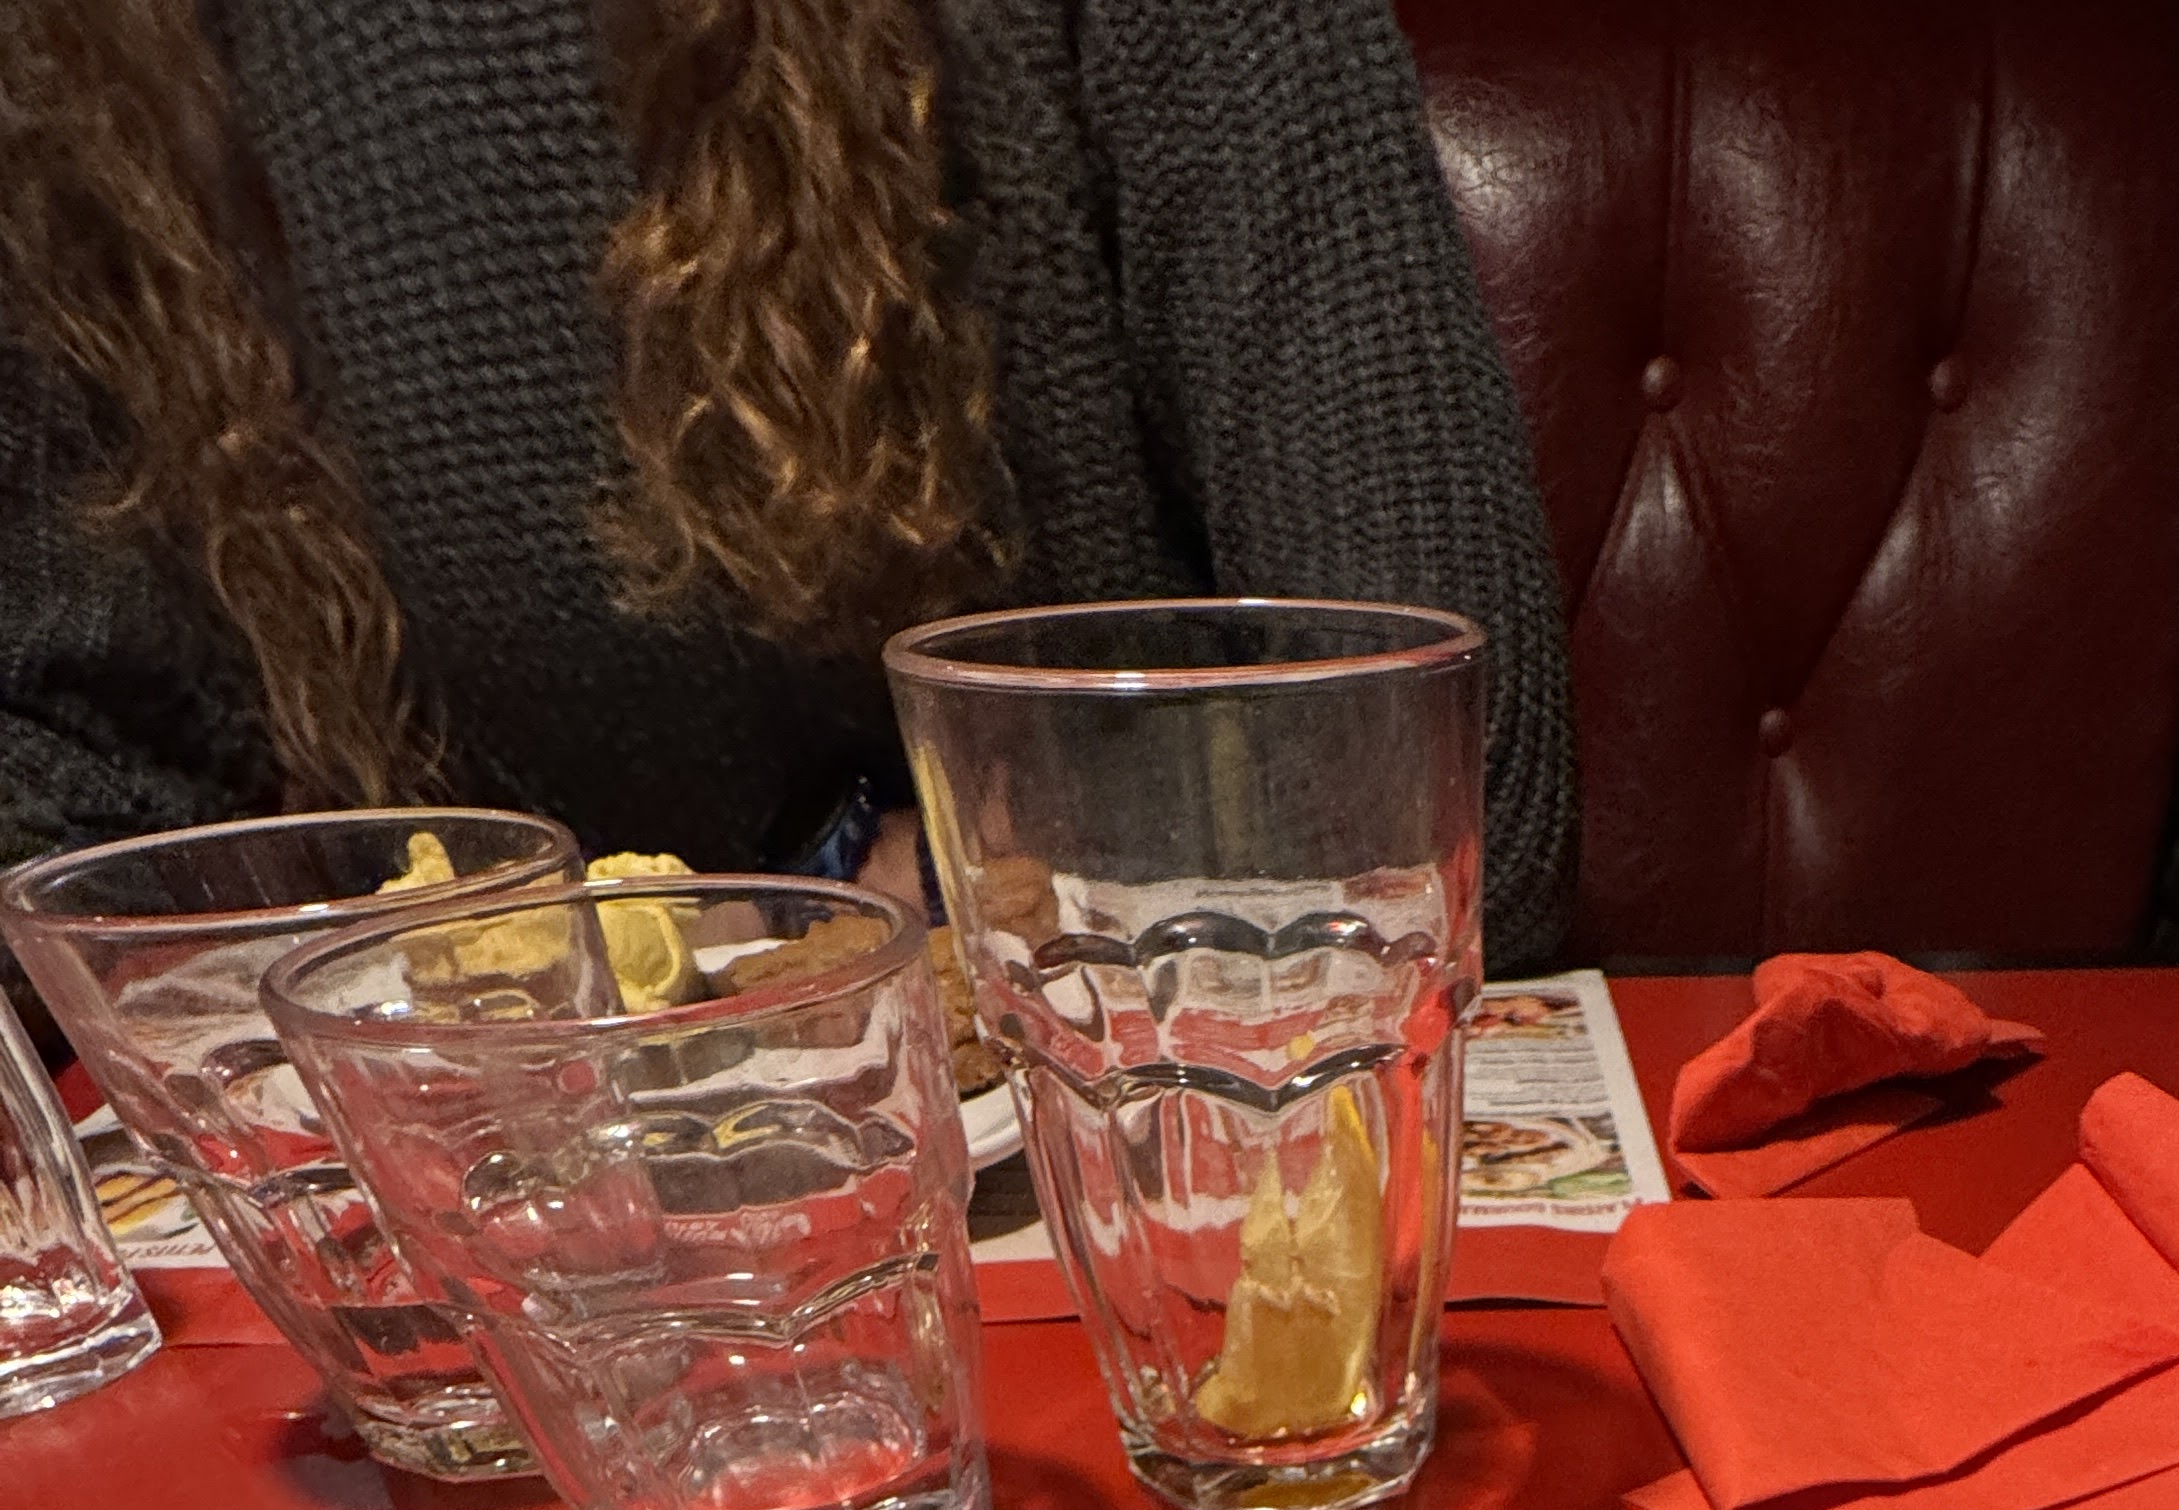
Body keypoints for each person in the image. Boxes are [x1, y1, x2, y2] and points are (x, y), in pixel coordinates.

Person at [0, 0, 1577, 968]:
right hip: (446, 1217)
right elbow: (73, 801)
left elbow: (1449, 775)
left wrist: (942, 894)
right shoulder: (79, 63)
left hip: (1105, 1149)